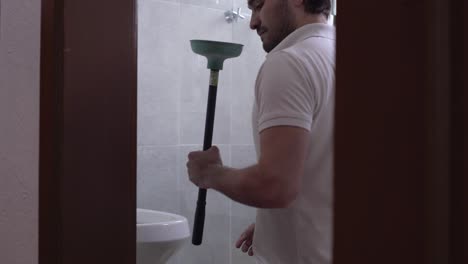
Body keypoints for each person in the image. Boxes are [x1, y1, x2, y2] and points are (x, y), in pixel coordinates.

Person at [186, 0, 335, 263]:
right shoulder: (350, 58)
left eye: (259, 5)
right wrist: (277, 223)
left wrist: (210, 174)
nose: (253, 21)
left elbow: (275, 186)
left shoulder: (290, 62)